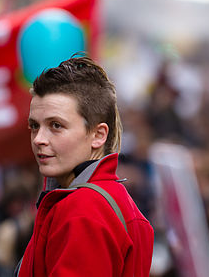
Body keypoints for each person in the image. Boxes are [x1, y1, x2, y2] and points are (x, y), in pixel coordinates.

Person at [16, 55, 154, 276]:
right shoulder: (108, 198)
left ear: (98, 135)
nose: (38, 138)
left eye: (56, 125)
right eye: (34, 125)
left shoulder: (84, 208)